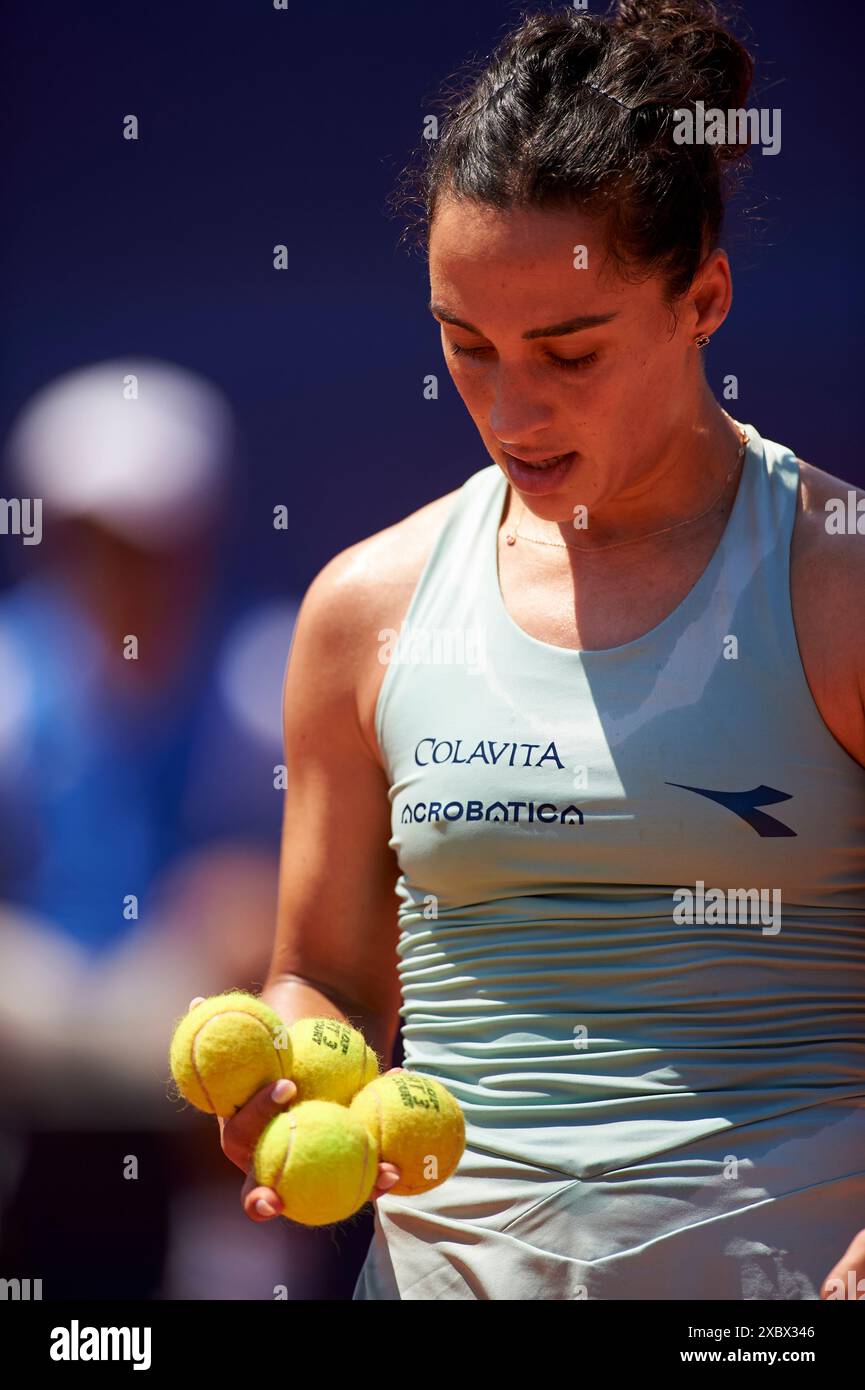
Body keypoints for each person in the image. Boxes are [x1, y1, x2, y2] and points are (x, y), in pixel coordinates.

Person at [220, 1, 865, 1299]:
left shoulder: (840, 582)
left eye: (568, 349)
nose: (511, 407)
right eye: (465, 346)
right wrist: (295, 1064)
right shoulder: (364, 607)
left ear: (703, 299)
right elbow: (322, 974)